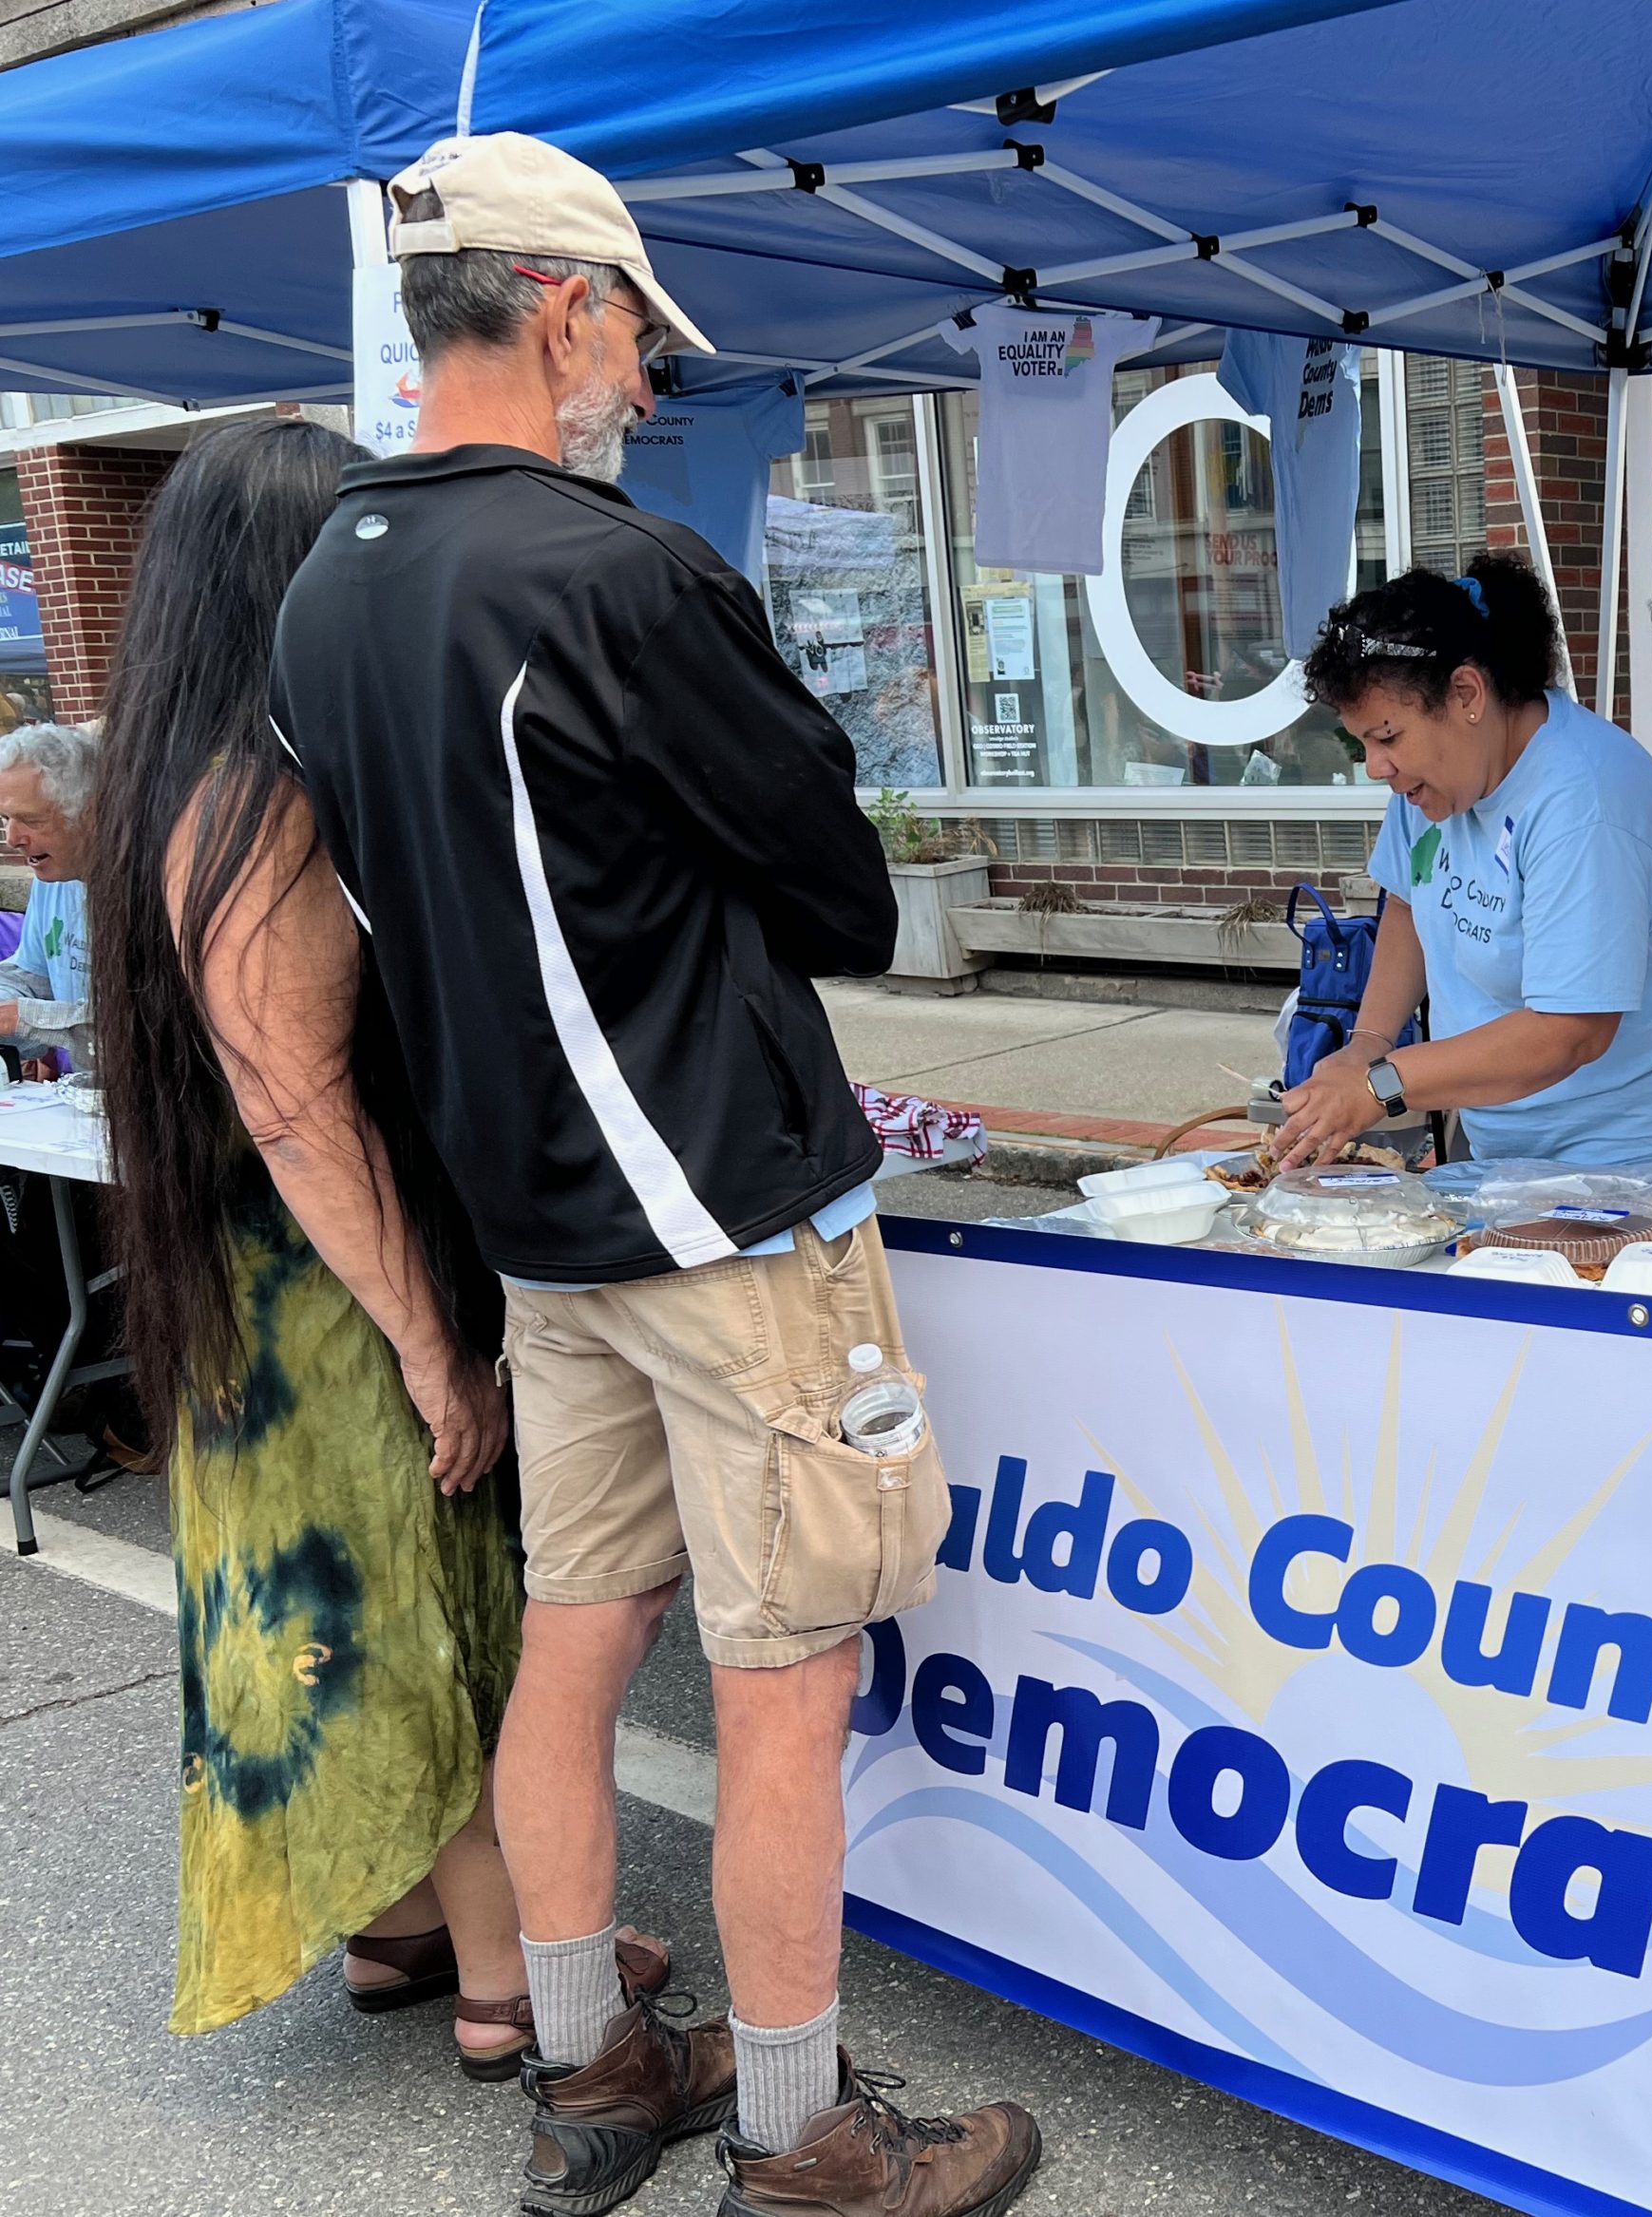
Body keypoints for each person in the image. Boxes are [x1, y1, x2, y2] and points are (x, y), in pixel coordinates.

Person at [269, 135, 1036, 2217]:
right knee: (790, 1673)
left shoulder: (324, 578)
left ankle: (596, 2070)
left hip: (534, 1216)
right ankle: (804, 2141)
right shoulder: (616, 572)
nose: (641, 367)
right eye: (630, 322)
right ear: (553, 304)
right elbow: (847, 896)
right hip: (718, 1202)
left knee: (579, 1632)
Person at [82, 416, 609, 2061]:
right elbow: (300, 1101)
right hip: (328, 1291)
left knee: (363, 1607)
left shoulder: (175, 771)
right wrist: (433, 1342)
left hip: (268, 1286)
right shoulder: (252, 792)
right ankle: (508, 1981)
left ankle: (394, 1931)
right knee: (410, 1604)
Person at [1279, 554, 1652, 1208]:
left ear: (1467, 695)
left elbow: (1570, 1030)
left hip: (1648, 1153)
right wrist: (1365, 1049)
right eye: (1362, 743)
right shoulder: (1427, 786)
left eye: (1388, 736)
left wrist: (1381, 1086)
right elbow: (1407, 903)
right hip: (1509, 1144)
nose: (1376, 767)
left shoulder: (1585, 800)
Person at [0, 719, 99, 1072]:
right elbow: (33, 977)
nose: (12, 837)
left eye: (30, 819)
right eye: (6, 818)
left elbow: (157, 1023)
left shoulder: (156, 884)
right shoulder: (51, 877)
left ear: (90, 814)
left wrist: (26, 1018)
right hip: (79, 1105)